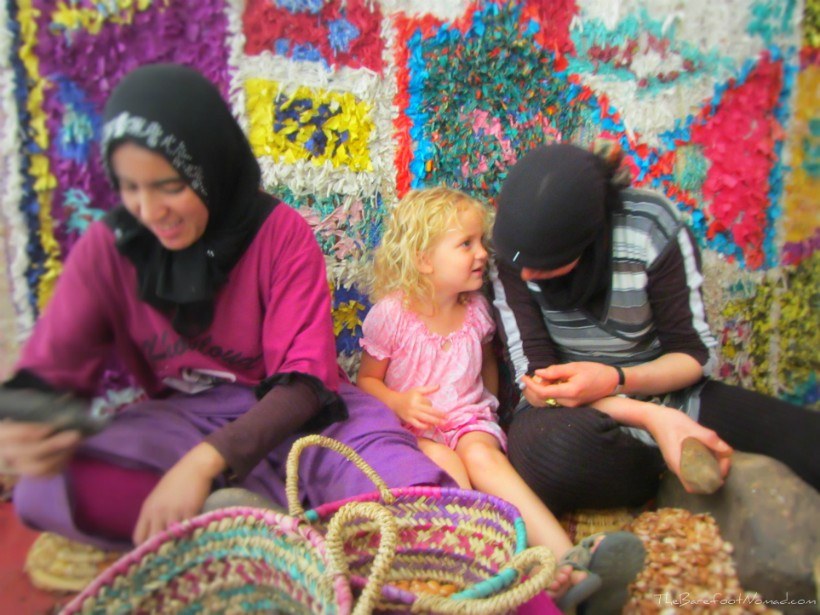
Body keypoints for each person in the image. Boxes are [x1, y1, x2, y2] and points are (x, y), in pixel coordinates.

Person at [0, 63, 454, 550]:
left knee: (419, 512)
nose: (150, 213)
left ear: (210, 166)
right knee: (45, 489)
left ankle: (243, 530)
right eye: (131, 188)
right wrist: (21, 426)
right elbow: (50, 371)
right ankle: (266, 532)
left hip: (306, 418)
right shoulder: (111, 248)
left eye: (170, 185)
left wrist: (206, 461)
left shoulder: (279, 232)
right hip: (183, 421)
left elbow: (305, 384)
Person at [490, 141, 820, 517]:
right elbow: (535, 384)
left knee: (804, 439)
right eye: (521, 265)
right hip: (568, 410)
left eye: (545, 264)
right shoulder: (509, 258)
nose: (528, 275)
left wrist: (618, 378)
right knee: (550, 455)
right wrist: (652, 418)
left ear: (591, 237)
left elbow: (694, 356)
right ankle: (669, 460)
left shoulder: (649, 227)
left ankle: (676, 449)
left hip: (665, 389)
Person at [357, 186, 646, 613]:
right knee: (451, 474)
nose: (481, 254)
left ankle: (570, 559)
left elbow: (487, 367)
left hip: (467, 419)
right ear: (423, 259)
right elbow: (365, 381)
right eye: (466, 244)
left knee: (486, 460)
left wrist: (489, 408)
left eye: (482, 242)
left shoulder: (476, 310)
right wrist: (400, 405)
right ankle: (508, 572)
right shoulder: (391, 315)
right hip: (415, 429)